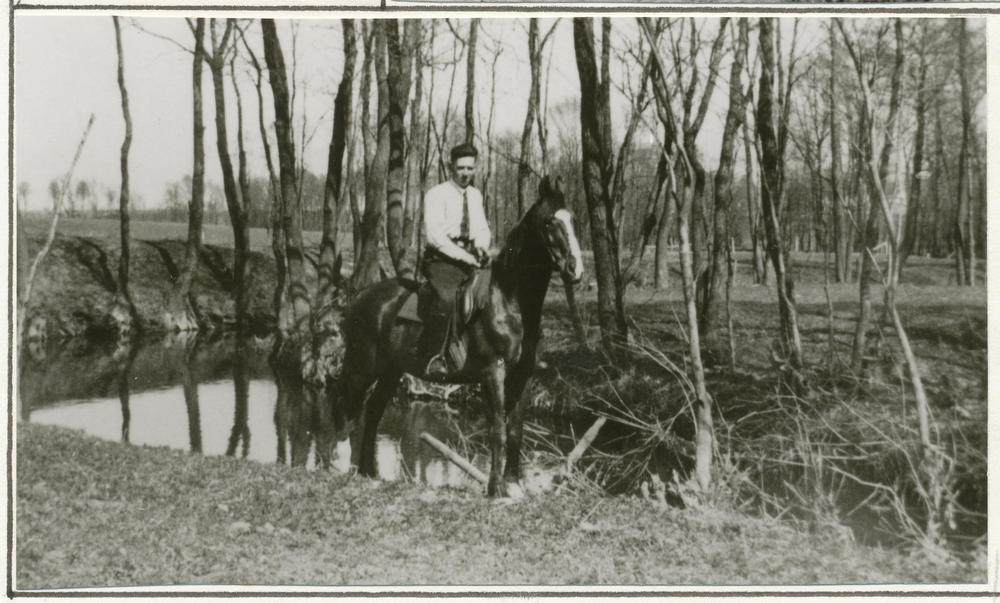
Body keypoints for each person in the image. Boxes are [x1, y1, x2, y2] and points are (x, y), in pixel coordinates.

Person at [421, 143, 491, 378]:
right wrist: (465, 257)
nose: (465, 173)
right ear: (451, 165)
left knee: (491, 294)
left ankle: (488, 354)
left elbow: (482, 228)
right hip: (441, 259)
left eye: (470, 168)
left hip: (470, 257)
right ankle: (435, 356)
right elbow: (434, 237)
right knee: (447, 296)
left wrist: (481, 247)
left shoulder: (475, 195)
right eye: (460, 167)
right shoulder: (436, 194)